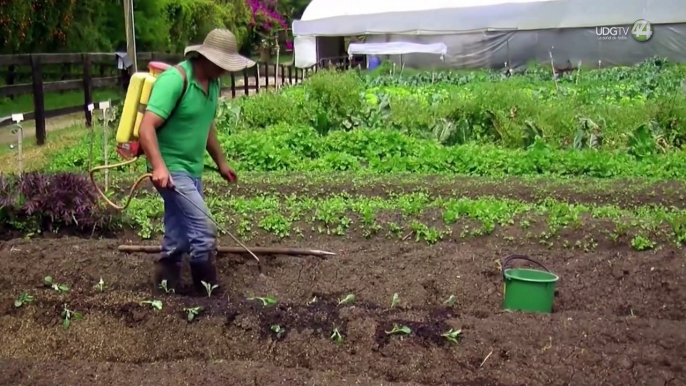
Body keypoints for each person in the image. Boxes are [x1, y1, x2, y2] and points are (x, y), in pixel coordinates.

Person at [139, 29, 255, 294]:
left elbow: (206, 127)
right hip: (170, 169)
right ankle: (206, 290)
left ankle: (165, 287)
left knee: (178, 233)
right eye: (223, 65)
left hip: (193, 169)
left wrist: (222, 163)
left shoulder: (212, 85)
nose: (226, 71)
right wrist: (159, 167)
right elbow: (146, 128)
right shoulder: (175, 80)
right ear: (208, 59)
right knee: (203, 230)